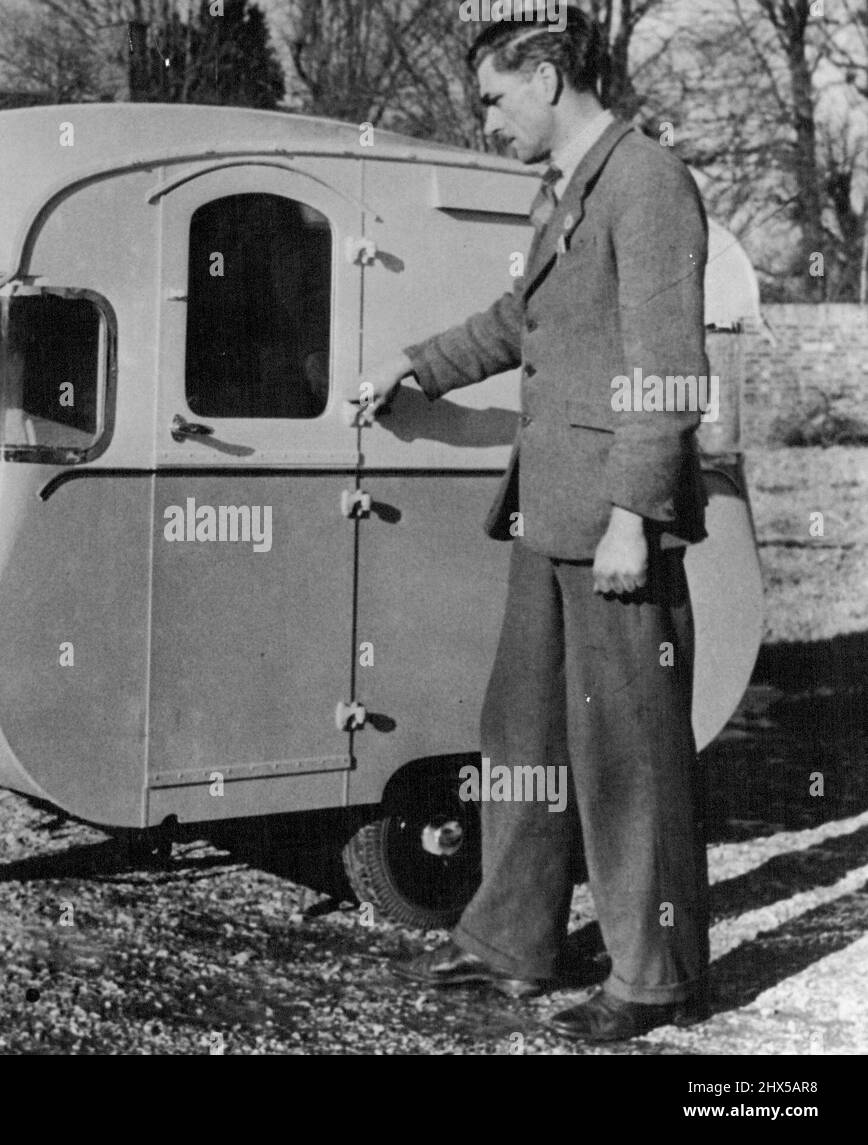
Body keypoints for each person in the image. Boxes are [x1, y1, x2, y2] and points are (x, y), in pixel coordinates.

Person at [359, 8, 711, 1042]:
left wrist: (633, 520)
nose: (487, 120)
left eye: (495, 97)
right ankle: (511, 940)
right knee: (522, 743)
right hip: (546, 513)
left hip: (609, 523)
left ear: (550, 75)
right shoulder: (566, 192)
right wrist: (413, 362)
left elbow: (665, 364)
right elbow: (524, 323)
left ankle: (657, 976)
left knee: (629, 763)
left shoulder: (646, 182)